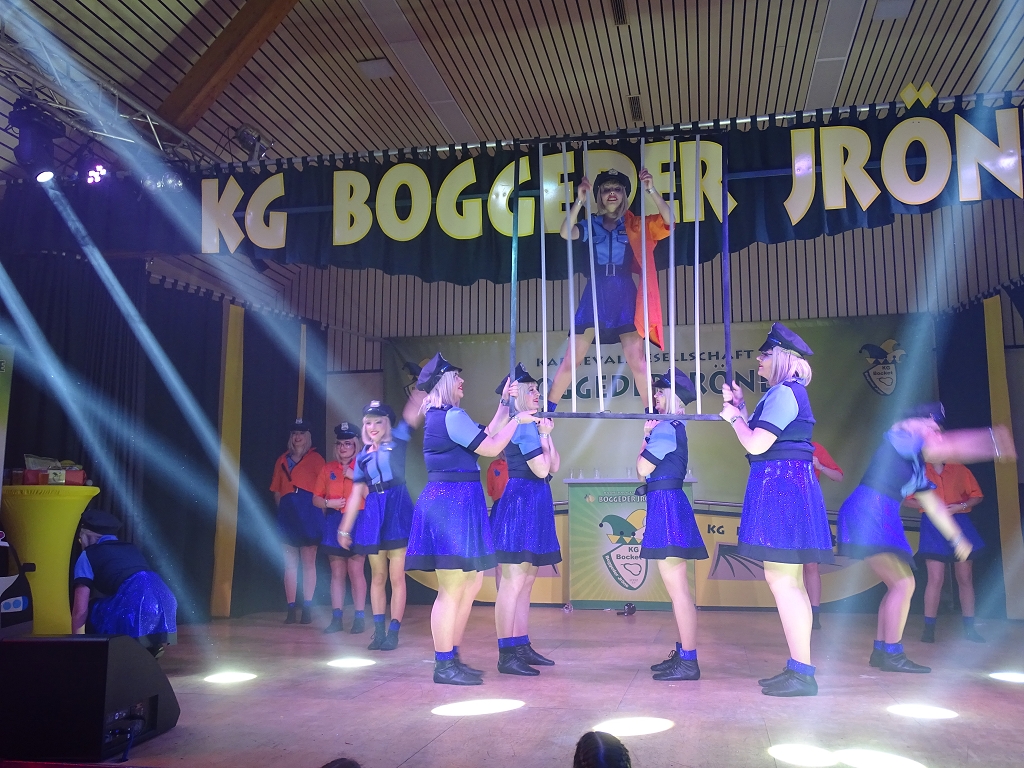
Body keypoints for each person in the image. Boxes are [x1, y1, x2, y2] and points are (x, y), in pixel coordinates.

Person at [836, 403, 1014, 673]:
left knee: (898, 584)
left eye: (938, 430)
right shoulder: (900, 436)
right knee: (904, 584)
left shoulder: (916, 465)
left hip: (877, 513)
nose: (936, 434)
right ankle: (891, 653)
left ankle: (883, 651)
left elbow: (933, 506)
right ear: (916, 422)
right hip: (870, 511)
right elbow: (943, 447)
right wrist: (990, 442)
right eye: (932, 427)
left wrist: (957, 539)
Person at [406, 353, 538, 685]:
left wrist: (506, 405)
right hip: (450, 505)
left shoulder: (447, 417)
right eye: (456, 376)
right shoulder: (450, 416)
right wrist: (518, 420)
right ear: (444, 383)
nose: (462, 381)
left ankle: (451, 657)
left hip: (459, 503)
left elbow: (488, 432)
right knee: (453, 588)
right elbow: (491, 447)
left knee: (470, 583)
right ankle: (444, 664)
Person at [719, 322, 834, 697]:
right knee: (788, 582)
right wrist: (741, 408)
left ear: (782, 358)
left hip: (783, 488)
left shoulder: (785, 393)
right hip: (786, 486)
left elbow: (756, 443)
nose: (758, 360)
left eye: (765, 354)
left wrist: (734, 418)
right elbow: (763, 436)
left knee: (784, 581)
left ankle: (802, 672)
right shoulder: (784, 393)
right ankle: (799, 668)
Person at [547, 167, 673, 412]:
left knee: (637, 360)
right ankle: (547, 411)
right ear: (599, 196)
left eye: (617, 188)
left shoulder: (635, 223)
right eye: (606, 189)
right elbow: (565, 232)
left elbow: (669, 220)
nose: (612, 193)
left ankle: (652, 415)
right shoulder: (590, 224)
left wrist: (651, 190)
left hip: (625, 292)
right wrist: (579, 201)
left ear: (624, 194)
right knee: (573, 358)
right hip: (595, 293)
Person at [338, 393, 425, 651]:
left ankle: (393, 632)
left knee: (397, 577)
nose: (372, 427)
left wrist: (423, 387)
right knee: (377, 576)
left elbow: (411, 415)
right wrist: (344, 529)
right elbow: (356, 494)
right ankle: (378, 632)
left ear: (386, 423)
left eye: (377, 421)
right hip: (375, 514)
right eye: (368, 422)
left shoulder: (397, 441)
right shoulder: (362, 456)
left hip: (397, 510)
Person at [491, 364, 561, 676]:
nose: (537, 394)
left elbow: (553, 465)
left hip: (535, 500)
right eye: (530, 390)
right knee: (513, 582)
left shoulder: (533, 425)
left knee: (527, 581)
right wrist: (543, 436)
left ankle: (520, 644)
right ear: (517, 395)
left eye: (537, 389)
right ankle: (506, 652)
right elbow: (542, 469)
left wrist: (546, 436)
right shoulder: (520, 425)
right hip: (521, 501)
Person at [640, 369, 707, 682]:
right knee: (678, 590)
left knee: (678, 591)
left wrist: (646, 435)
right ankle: (684, 654)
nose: (655, 396)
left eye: (659, 391)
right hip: (667, 504)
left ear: (673, 396)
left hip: (667, 506)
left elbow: (642, 467)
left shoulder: (666, 427)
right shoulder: (673, 425)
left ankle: (689, 660)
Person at [71, 509, 177, 657]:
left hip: (136, 601)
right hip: (165, 599)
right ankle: (150, 648)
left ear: (85, 535)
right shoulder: (131, 548)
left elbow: (80, 610)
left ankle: (98, 654)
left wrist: (75, 642)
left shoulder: (88, 554)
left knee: (94, 608)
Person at [905, 457, 987, 643]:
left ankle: (970, 628)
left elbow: (977, 496)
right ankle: (929, 629)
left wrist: (960, 506)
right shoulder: (920, 471)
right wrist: (929, 505)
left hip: (960, 522)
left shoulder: (959, 468)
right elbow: (908, 500)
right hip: (933, 525)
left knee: (965, 577)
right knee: (935, 579)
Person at [313, 423, 368, 634]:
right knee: (337, 572)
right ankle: (336, 618)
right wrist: (329, 503)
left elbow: (371, 497)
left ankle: (359, 617)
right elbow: (316, 499)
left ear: (355, 445)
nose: (343, 448)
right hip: (334, 520)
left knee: (356, 570)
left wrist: (355, 476)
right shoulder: (328, 469)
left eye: (348, 444)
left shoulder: (363, 467)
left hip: (358, 520)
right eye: (340, 444)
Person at [270, 418, 326, 625]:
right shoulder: (282, 460)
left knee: (309, 562)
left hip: (309, 513)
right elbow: (276, 490)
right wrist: (284, 510)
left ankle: (308, 608)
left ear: (307, 436)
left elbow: (324, 490)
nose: (297, 437)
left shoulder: (317, 459)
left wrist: (319, 515)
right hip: (288, 514)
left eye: (301, 433)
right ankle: (291, 608)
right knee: (290, 564)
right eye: (294, 433)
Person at [805, 441, 844, 629]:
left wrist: (819, 466)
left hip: (811, 508)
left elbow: (838, 476)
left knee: (811, 564)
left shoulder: (815, 448)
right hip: (787, 508)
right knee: (790, 566)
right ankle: (799, 613)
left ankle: (815, 615)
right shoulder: (779, 445)